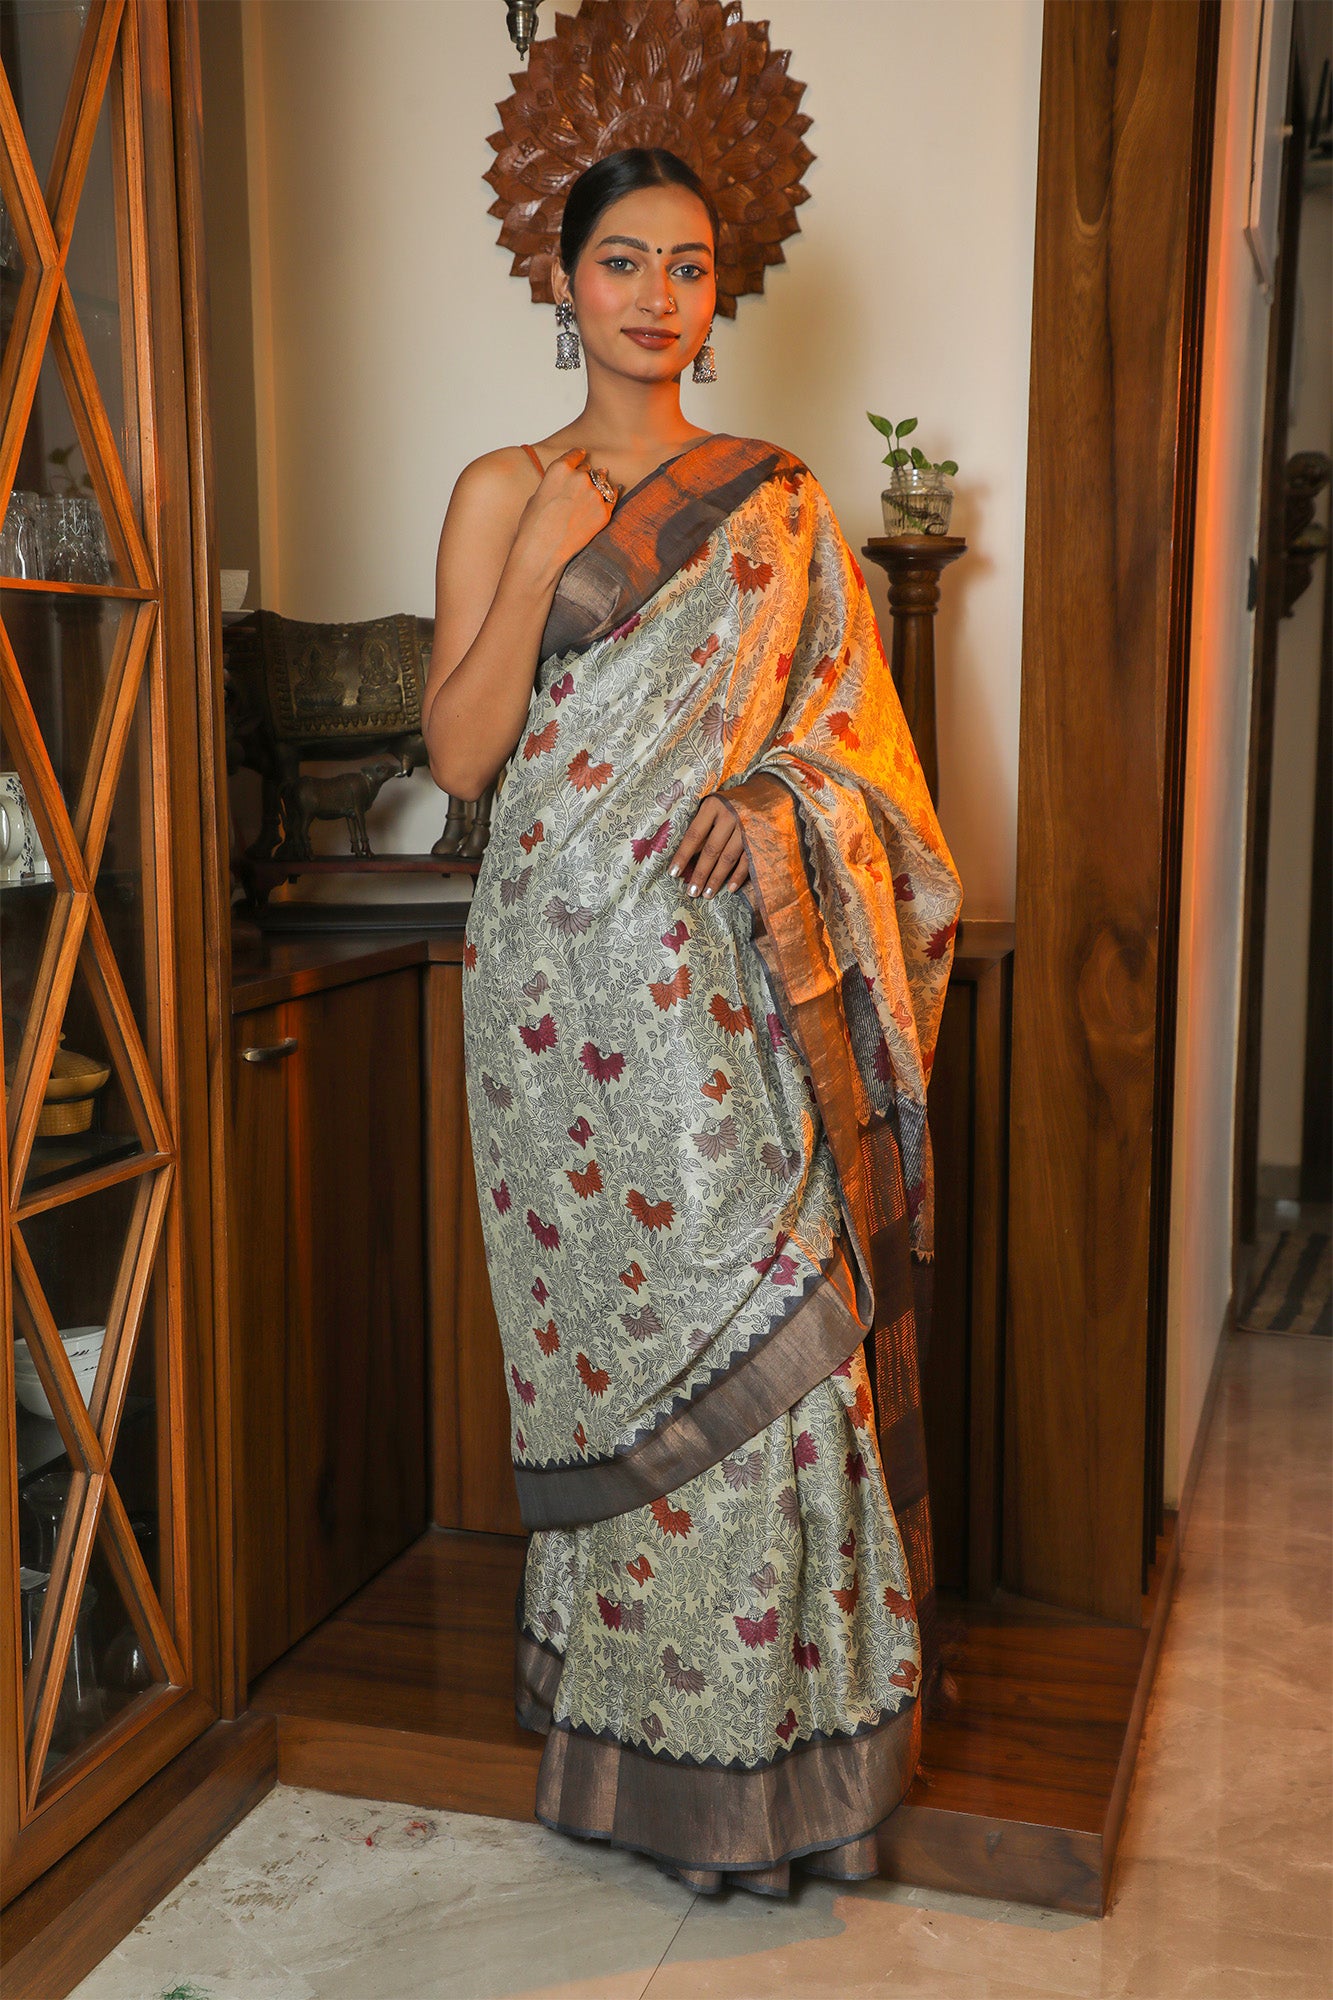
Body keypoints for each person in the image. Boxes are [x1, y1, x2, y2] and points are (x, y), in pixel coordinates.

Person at [422, 146, 962, 1898]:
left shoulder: (781, 503)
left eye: (686, 265)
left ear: (716, 293)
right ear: (561, 279)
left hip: (719, 970)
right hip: (551, 988)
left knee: (778, 1331)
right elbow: (460, 755)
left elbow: (859, 744)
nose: (655, 295)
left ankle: (780, 1778)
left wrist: (781, 798)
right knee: (615, 1367)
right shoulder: (503, 486)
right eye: (621, 260)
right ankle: (639, 1761)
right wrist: (540, 557)